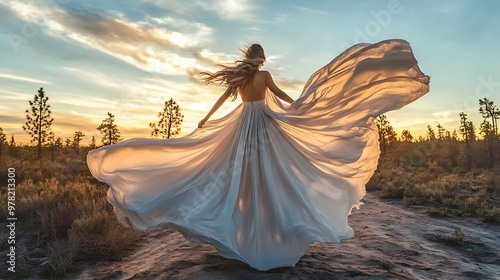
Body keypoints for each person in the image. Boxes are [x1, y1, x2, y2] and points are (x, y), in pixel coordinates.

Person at [87, 39, 430, 271]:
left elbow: (223, 101)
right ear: (262, 58)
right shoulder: (264, 75)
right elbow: (283, 98)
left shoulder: (240, 78)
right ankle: (266, 234)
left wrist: (207, 118)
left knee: (240, 178)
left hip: (241, 126)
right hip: (263, 126)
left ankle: (244, 232)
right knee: (271, 177)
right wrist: (308, 109)